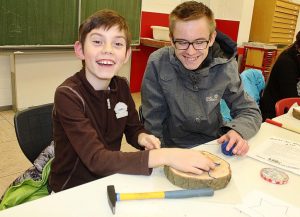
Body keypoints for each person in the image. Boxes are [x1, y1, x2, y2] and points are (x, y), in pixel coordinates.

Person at [49, 9, 216, 193]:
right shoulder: (68, 95)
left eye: (118, 44)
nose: (107, 50)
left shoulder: (120, 86)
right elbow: (97, 160)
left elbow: (132, 128)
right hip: (71, 190)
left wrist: (142, 137)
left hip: (110, 178)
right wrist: (165, 156)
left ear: (127, 54)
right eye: (97, 42)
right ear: (80, 49)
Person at [141, 1, 262, 155]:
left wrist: (237, 131)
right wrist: (161, 156)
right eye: (182, 42)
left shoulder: (225, 65)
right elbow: (153, 121)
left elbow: (249, 110)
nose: (191, 52)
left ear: (211, 38)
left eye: (199, 42)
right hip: (172, 148)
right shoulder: (157, 62)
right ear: (171, 39)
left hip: (214, 144)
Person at [260, 31, 300, 121]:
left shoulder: (296, 57)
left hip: (290, 113)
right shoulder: (287, 62)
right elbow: (292, 99)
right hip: (274, 115)